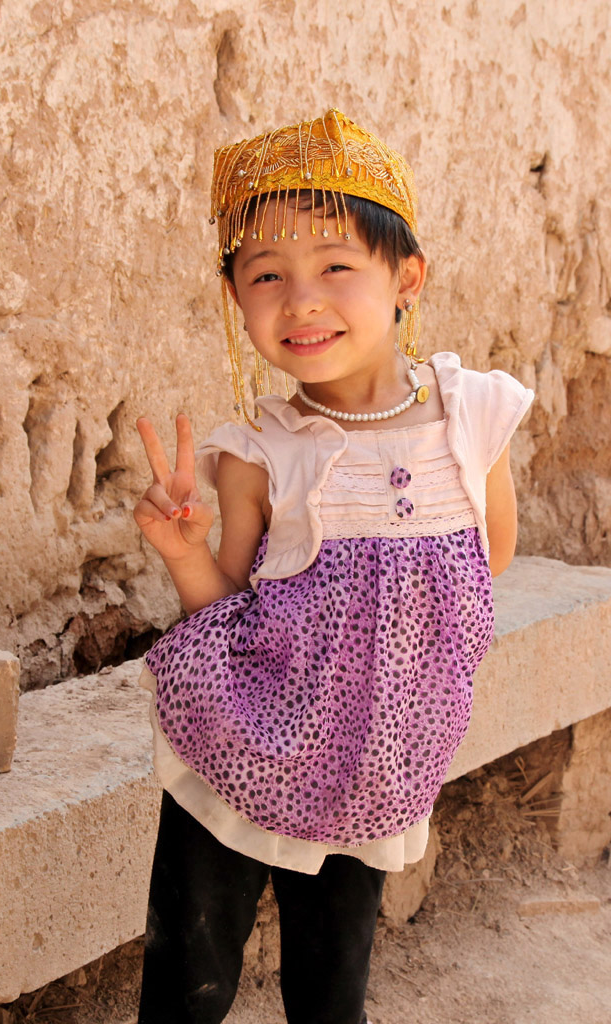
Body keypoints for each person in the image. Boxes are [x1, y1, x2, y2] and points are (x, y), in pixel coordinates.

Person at [133, 109, 533, 1024]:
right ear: (236, 298)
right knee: (190, 977)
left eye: (336, 267)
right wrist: (186, 553)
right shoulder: (260, 453)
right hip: (244, 745)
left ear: (407, 278)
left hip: (374, 766)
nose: (301, 300)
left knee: (333, 985)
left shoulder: (471, 414)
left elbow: (490, 556)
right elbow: (222, 605)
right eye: (265, 275)